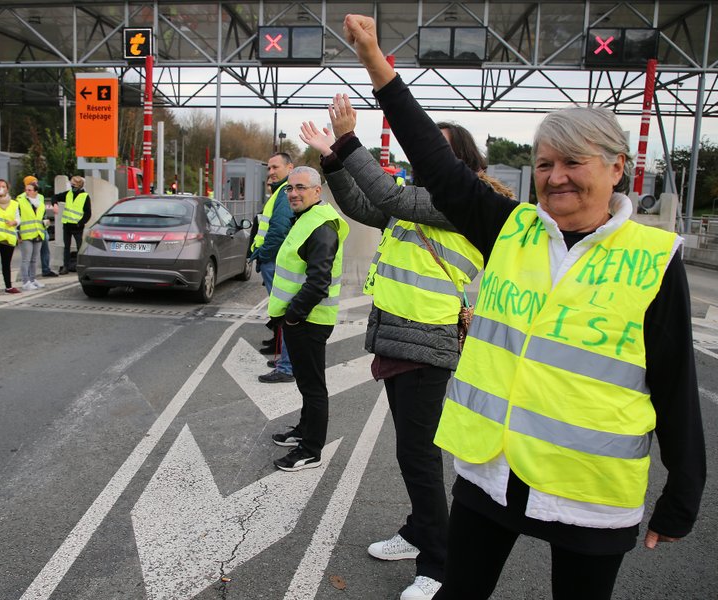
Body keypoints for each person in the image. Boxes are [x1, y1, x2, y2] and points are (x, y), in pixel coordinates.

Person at [343, 14, 706, 600]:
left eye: (573, 163)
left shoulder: (654, 258)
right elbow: (436, 163)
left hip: (589, 490)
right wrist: (375, 63)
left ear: (617, 168)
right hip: (491, 474)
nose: (555, 178)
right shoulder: (509, 229)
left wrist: (683, 492)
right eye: (544, 164)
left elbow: (673, 379)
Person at [300, 96, 512, 600]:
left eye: (435, 148)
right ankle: (419, 532)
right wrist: (332, 160)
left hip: (427, 340)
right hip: (401, 337)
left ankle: (438, 565)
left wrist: (348, 141)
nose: (423, 155)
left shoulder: (459, 201)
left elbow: (387, 197)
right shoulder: (420, 197)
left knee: (417, 456)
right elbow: (362, 205)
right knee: (410, 452)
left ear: (460, 159)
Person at [268, 166, 349, 471]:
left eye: (301, 187)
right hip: (303, 319)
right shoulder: (308, 218)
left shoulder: (321, 226)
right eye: (290, 188)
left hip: (309, 320)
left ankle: (311, 450)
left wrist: (292, 316)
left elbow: (318, 282)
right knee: (305, 382)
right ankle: (303, 431)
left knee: (313, 387)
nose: (293, 193)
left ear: (318, 191)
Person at [249, 152, 296, 383]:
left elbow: (278, 230)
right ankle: (285, 362)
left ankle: (287, 367)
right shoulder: (281, 191)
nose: (271, 172)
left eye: (275, 167)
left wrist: (264, 256)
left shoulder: (285, 192)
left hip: (275, 262)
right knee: (282, 314)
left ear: (290, 167)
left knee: (285, 315)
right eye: (268, 168)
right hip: (273, 262)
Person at [52, 175, 91, 274]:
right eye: (71, 184)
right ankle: (66, 267)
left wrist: (80, 223)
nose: (71, 186)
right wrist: (55, 204)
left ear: (79, 185)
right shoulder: (68, 194)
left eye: (73, 185)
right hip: (67, 225)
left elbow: (88, 213)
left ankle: (80, 266)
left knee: (79, 247)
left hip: (77, 227)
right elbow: (55, 197)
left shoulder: (85, 196)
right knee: (66, 247)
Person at [16, 180, 47, 290]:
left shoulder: (40, 203)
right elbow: (17, 218)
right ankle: (25, 282)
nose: (27, 192)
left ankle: (33, 280)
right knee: (26, 259)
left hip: (38, 233)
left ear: (36, 192)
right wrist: (18, 234)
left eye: (29, 190)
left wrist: (45, 224)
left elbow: (42, 217)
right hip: (26, 234)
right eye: (26, 190)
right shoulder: (20, 201)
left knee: (34, 259)